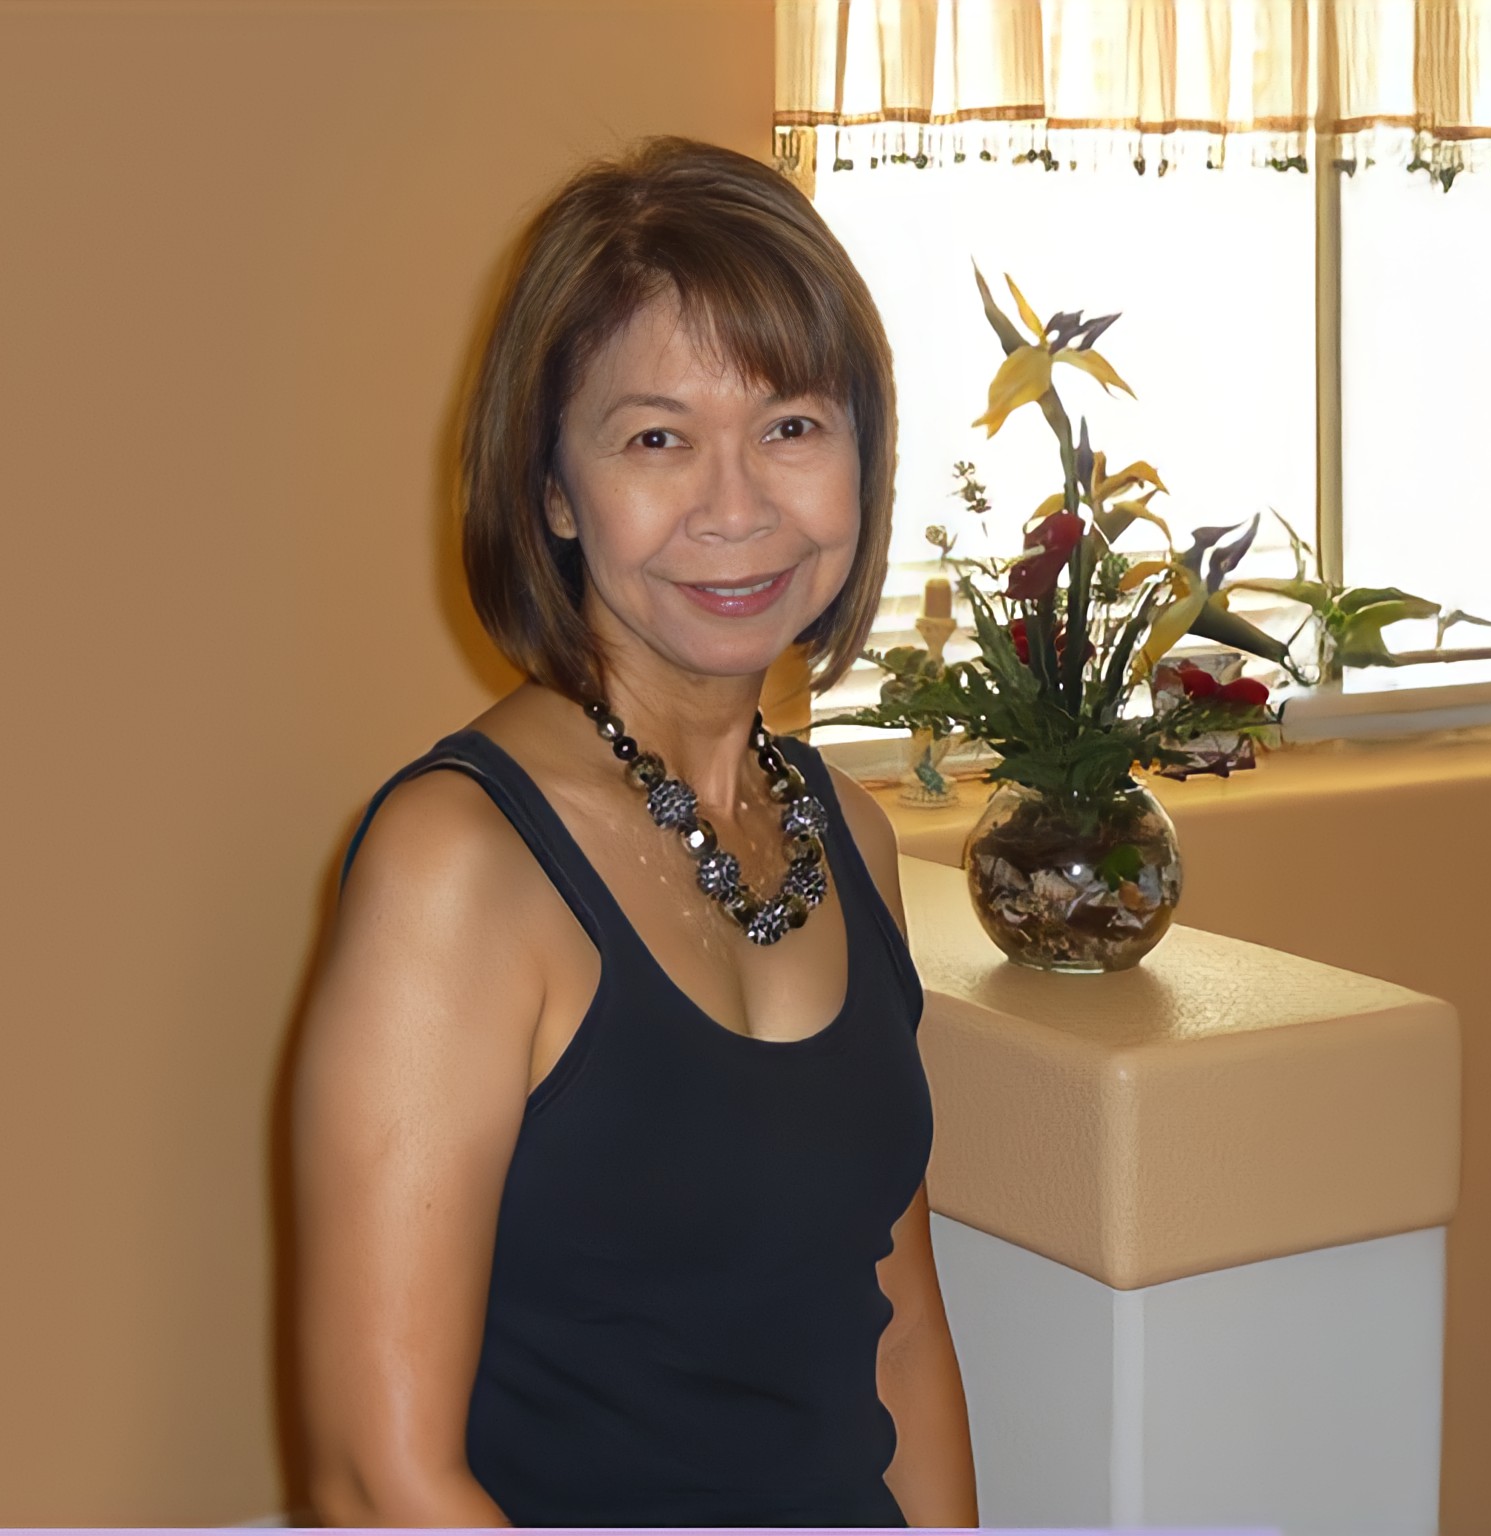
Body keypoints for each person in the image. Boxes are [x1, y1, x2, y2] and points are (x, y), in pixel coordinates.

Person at [292, 135, 977, 1529]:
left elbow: (898, 1334)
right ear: (553, 490)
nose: (737, 508)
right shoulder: (460, 867)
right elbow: (375, 1482)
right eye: (657, 439)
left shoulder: (847, 834)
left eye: (792, 426)